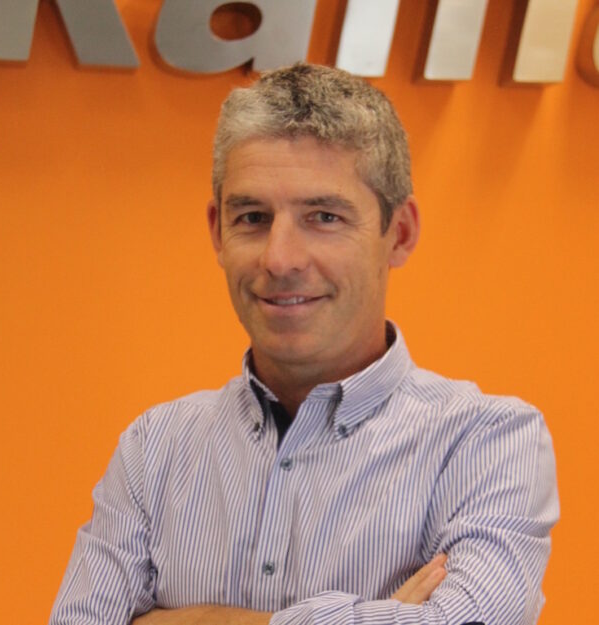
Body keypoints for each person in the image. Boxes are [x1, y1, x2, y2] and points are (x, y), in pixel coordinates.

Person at [49, 63, 559, 625]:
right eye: (253, 217)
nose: (280, 258)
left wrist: (194, 620)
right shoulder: (155, 448)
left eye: (324, 217)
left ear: (400, 233)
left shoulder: (486, 441)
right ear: (218, 231)